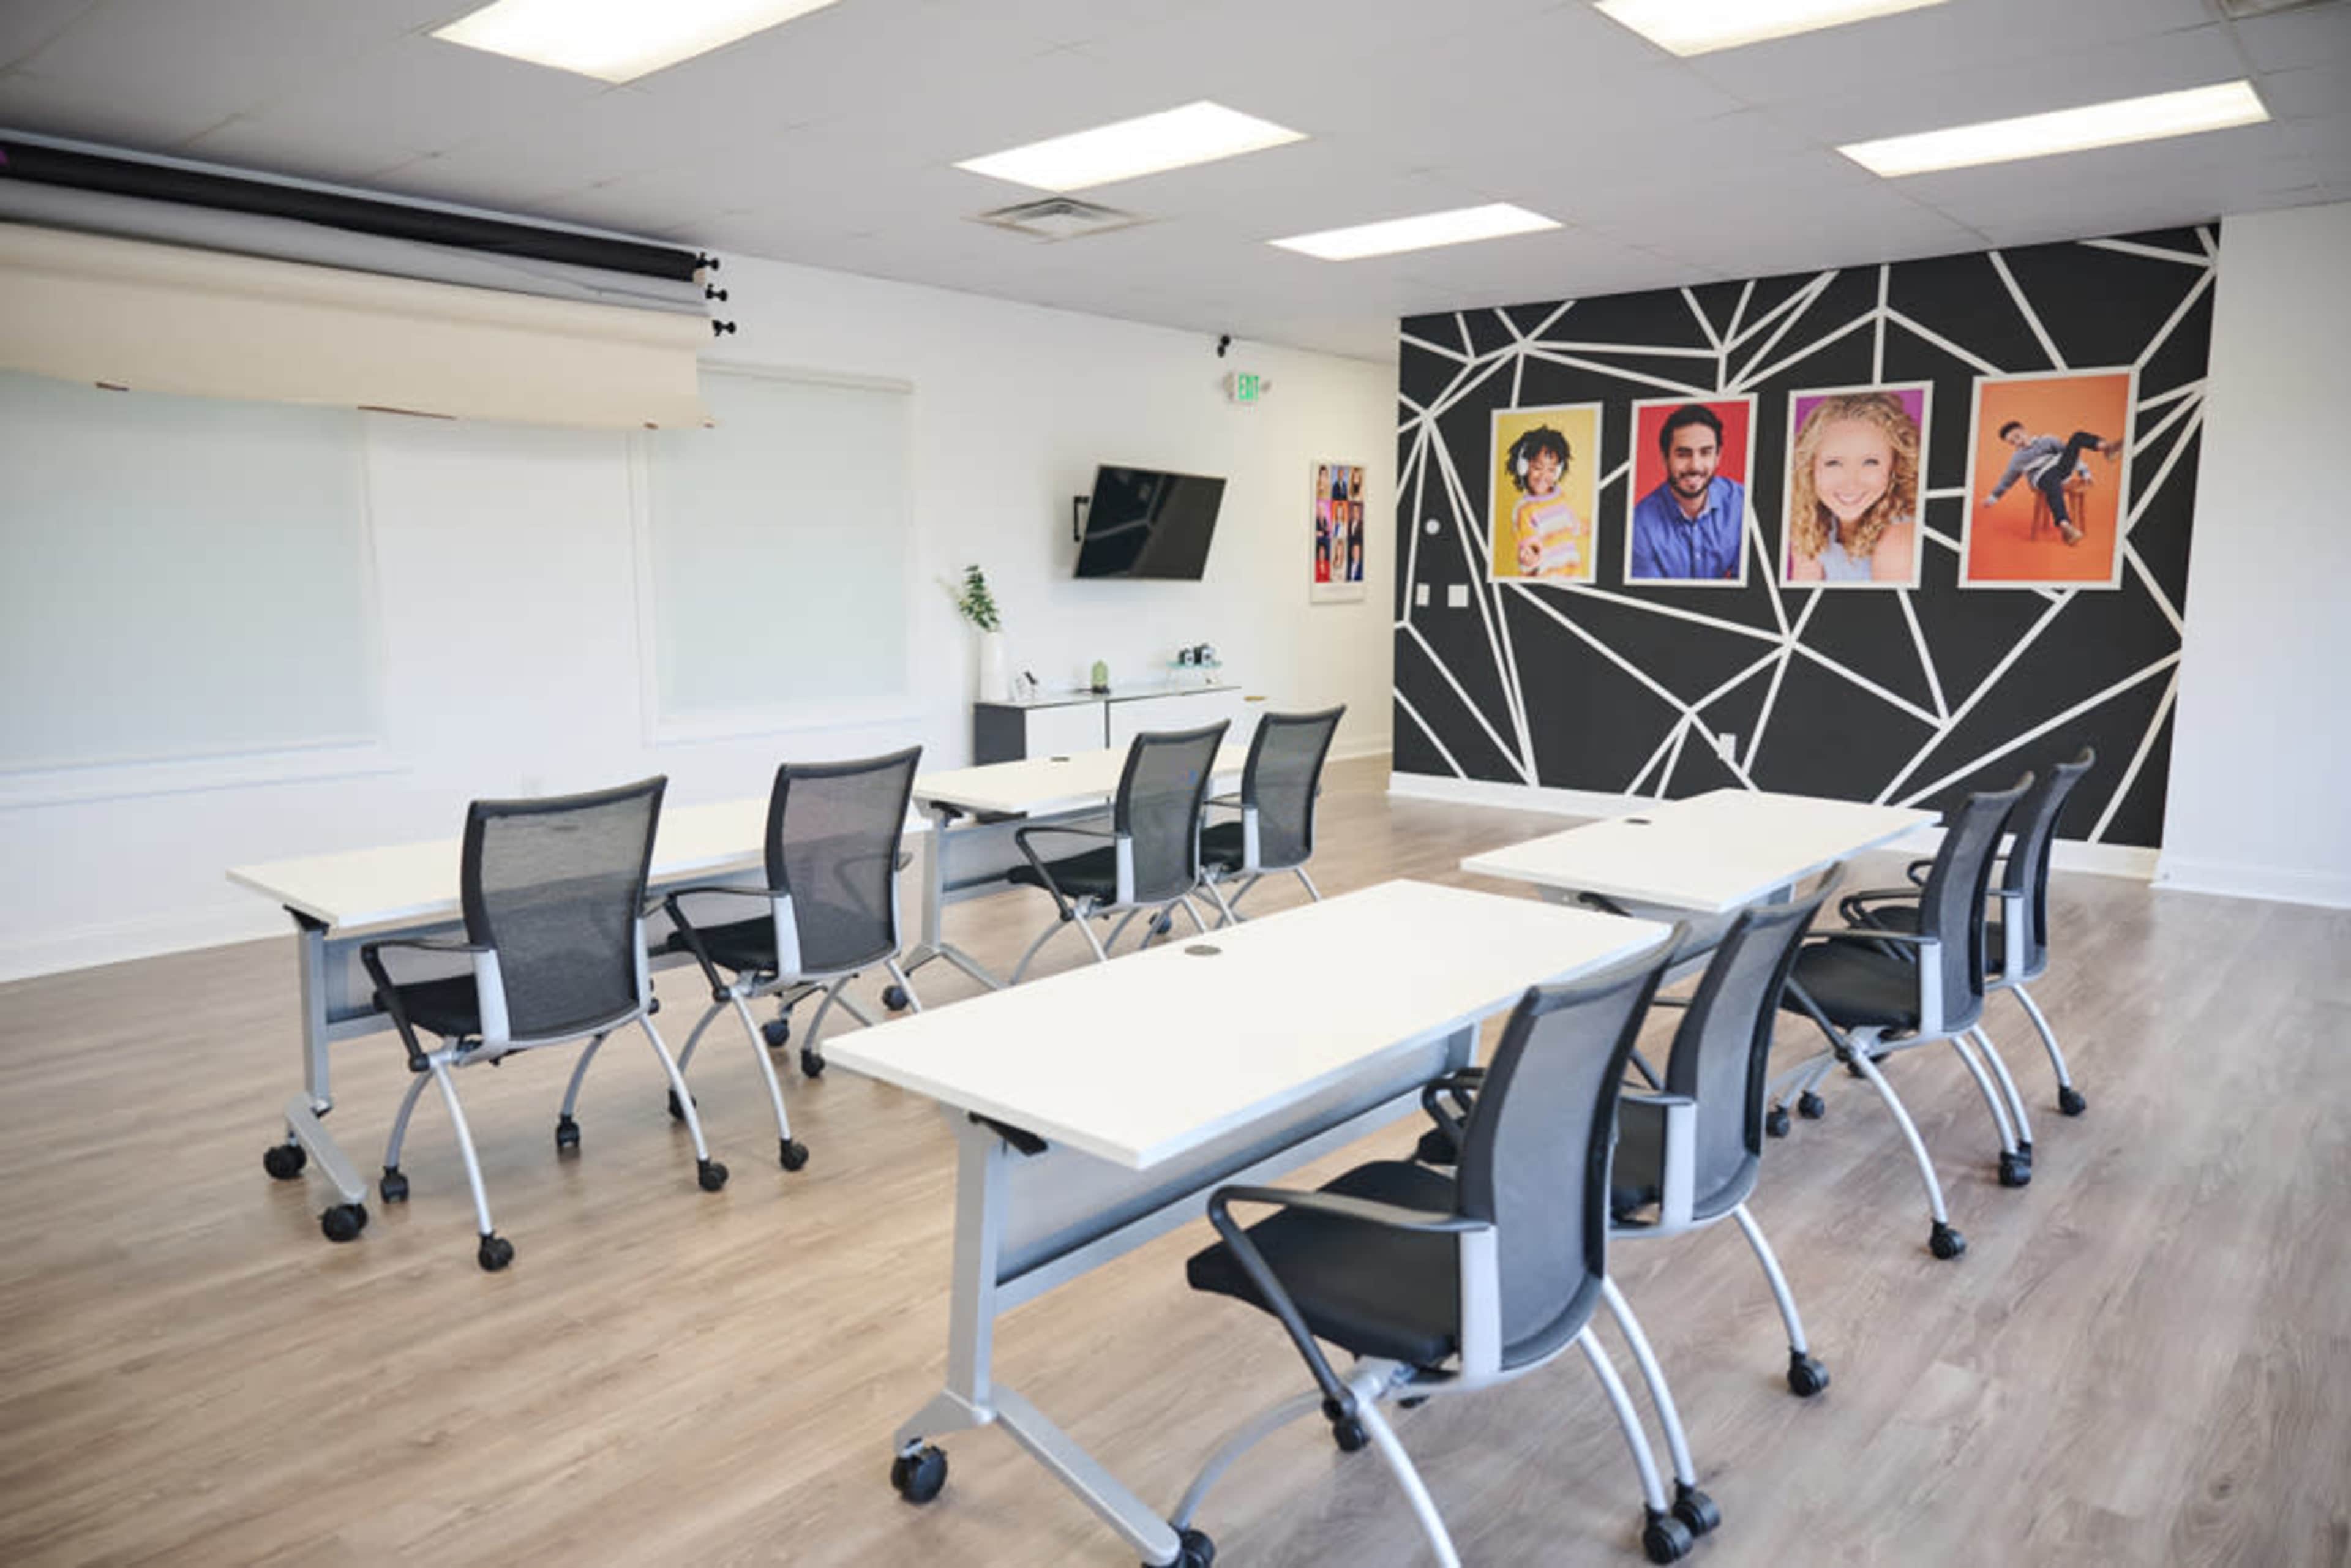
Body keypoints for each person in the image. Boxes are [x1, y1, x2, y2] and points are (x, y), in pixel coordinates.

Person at [1785, 392, 1921, 584]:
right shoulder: (1811, 520)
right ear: (1811, 467)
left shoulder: (1900, 538)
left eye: (1870, 462)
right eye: (1833, 463)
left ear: (1895, 465)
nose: (1851, 483)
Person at [1629, 403, 1745, 580]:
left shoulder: (1742, 502)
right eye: (1683, 454)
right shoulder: (1639, 524)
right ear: (1664, 457)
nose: (1695, 466)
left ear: (1718, 456)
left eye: (1706, 453)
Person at [1983, 420, 2123, 546]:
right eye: (2012, 443)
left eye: (2018, 437)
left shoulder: (2048, 440)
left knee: (2077, 437)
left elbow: (2069, 454)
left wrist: (2084, 471)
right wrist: (1993, 498)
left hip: (2061, 468)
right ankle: (2065, 527)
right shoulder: (2017, 459)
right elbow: (2006, 481)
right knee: (2053, 485)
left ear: (2024, 430)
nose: (2018, 442)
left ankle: (2108, 448)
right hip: (2042, 477)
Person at [1501, 425, 1588, 579]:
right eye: (1537, 467)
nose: (1543, 476)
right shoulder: (1524, 509)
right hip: (1545, 577)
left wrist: (1584, 527)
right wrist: (1530, 558)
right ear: (1523, 468)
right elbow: (1530, 544)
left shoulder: (1561, 497)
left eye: (1551, 470)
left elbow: (1570, 526)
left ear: (1559, 471)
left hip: (1572, 573)